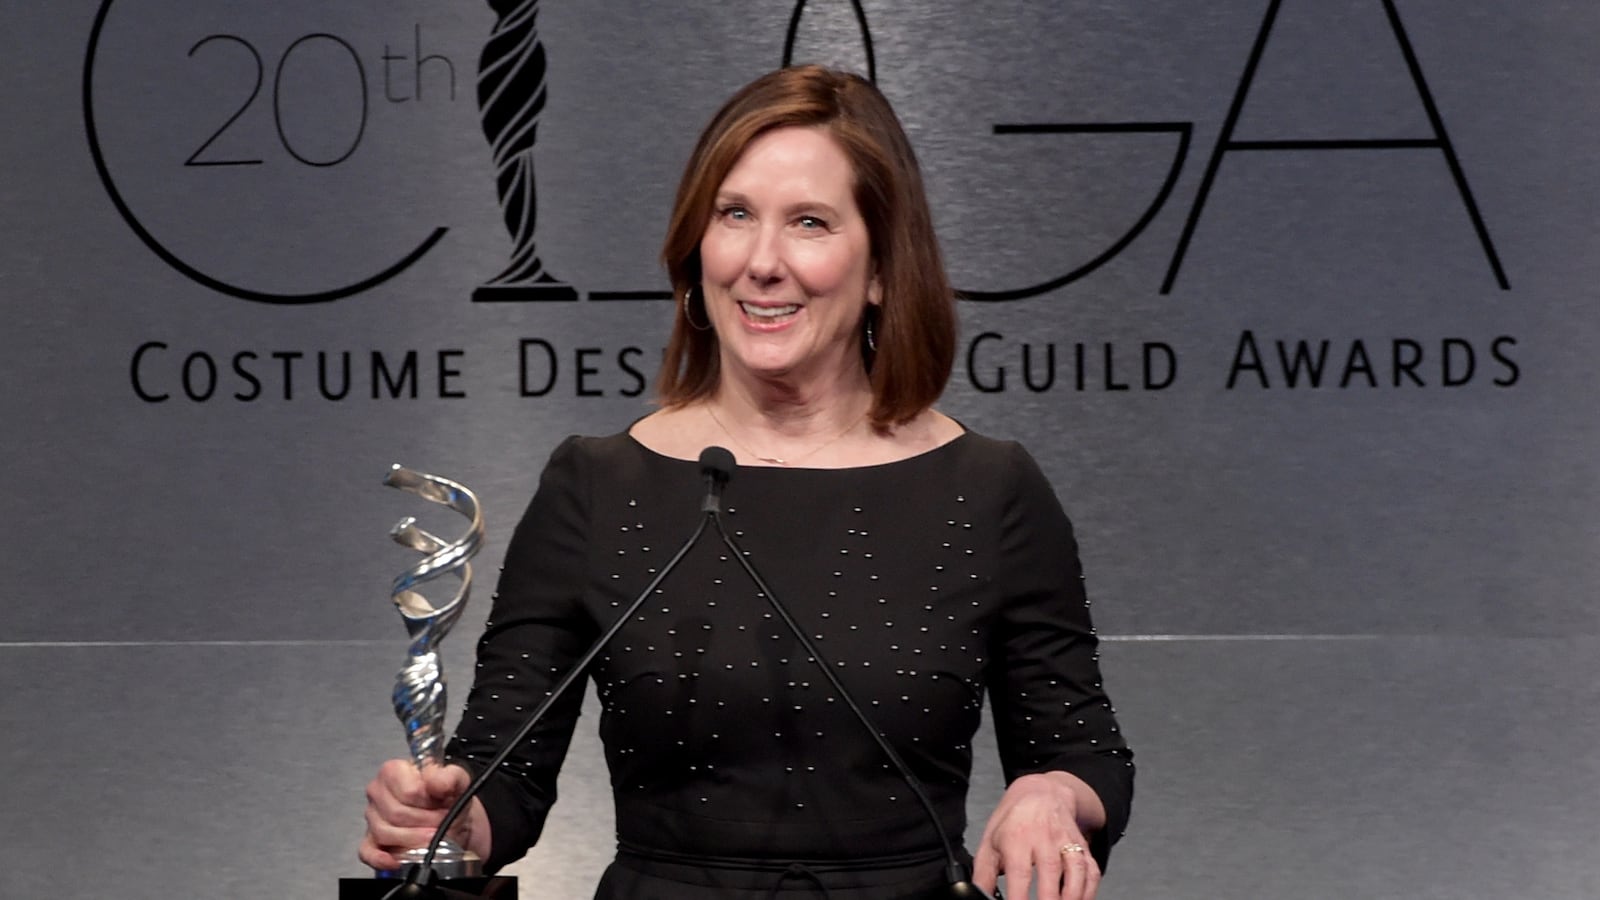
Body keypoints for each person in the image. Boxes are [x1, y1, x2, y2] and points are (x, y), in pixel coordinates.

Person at [360, 65, 1133, 900]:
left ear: (880, 269)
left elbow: (1085, 752)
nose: (763, 263)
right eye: (735, 215)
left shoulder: (989, 489)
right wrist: (447, 819)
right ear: (698, 250)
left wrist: (1052, 795)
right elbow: (504, 780)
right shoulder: (595, 483)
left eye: (809, 222)